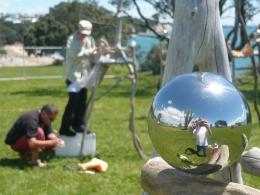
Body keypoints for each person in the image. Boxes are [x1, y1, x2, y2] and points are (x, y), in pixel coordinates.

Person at [59, 20, 98, 136]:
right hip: (72, 77)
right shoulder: (72, 40)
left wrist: (100, 53)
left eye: (86, 34)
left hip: (84, 77)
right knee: (73, 102)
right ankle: (64, 128)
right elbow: (77, 55)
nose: (83, 36)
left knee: (82, 102)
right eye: (82, 33)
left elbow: (93, 57)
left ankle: (79, 125)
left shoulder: (91, 40)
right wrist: (92, 51)